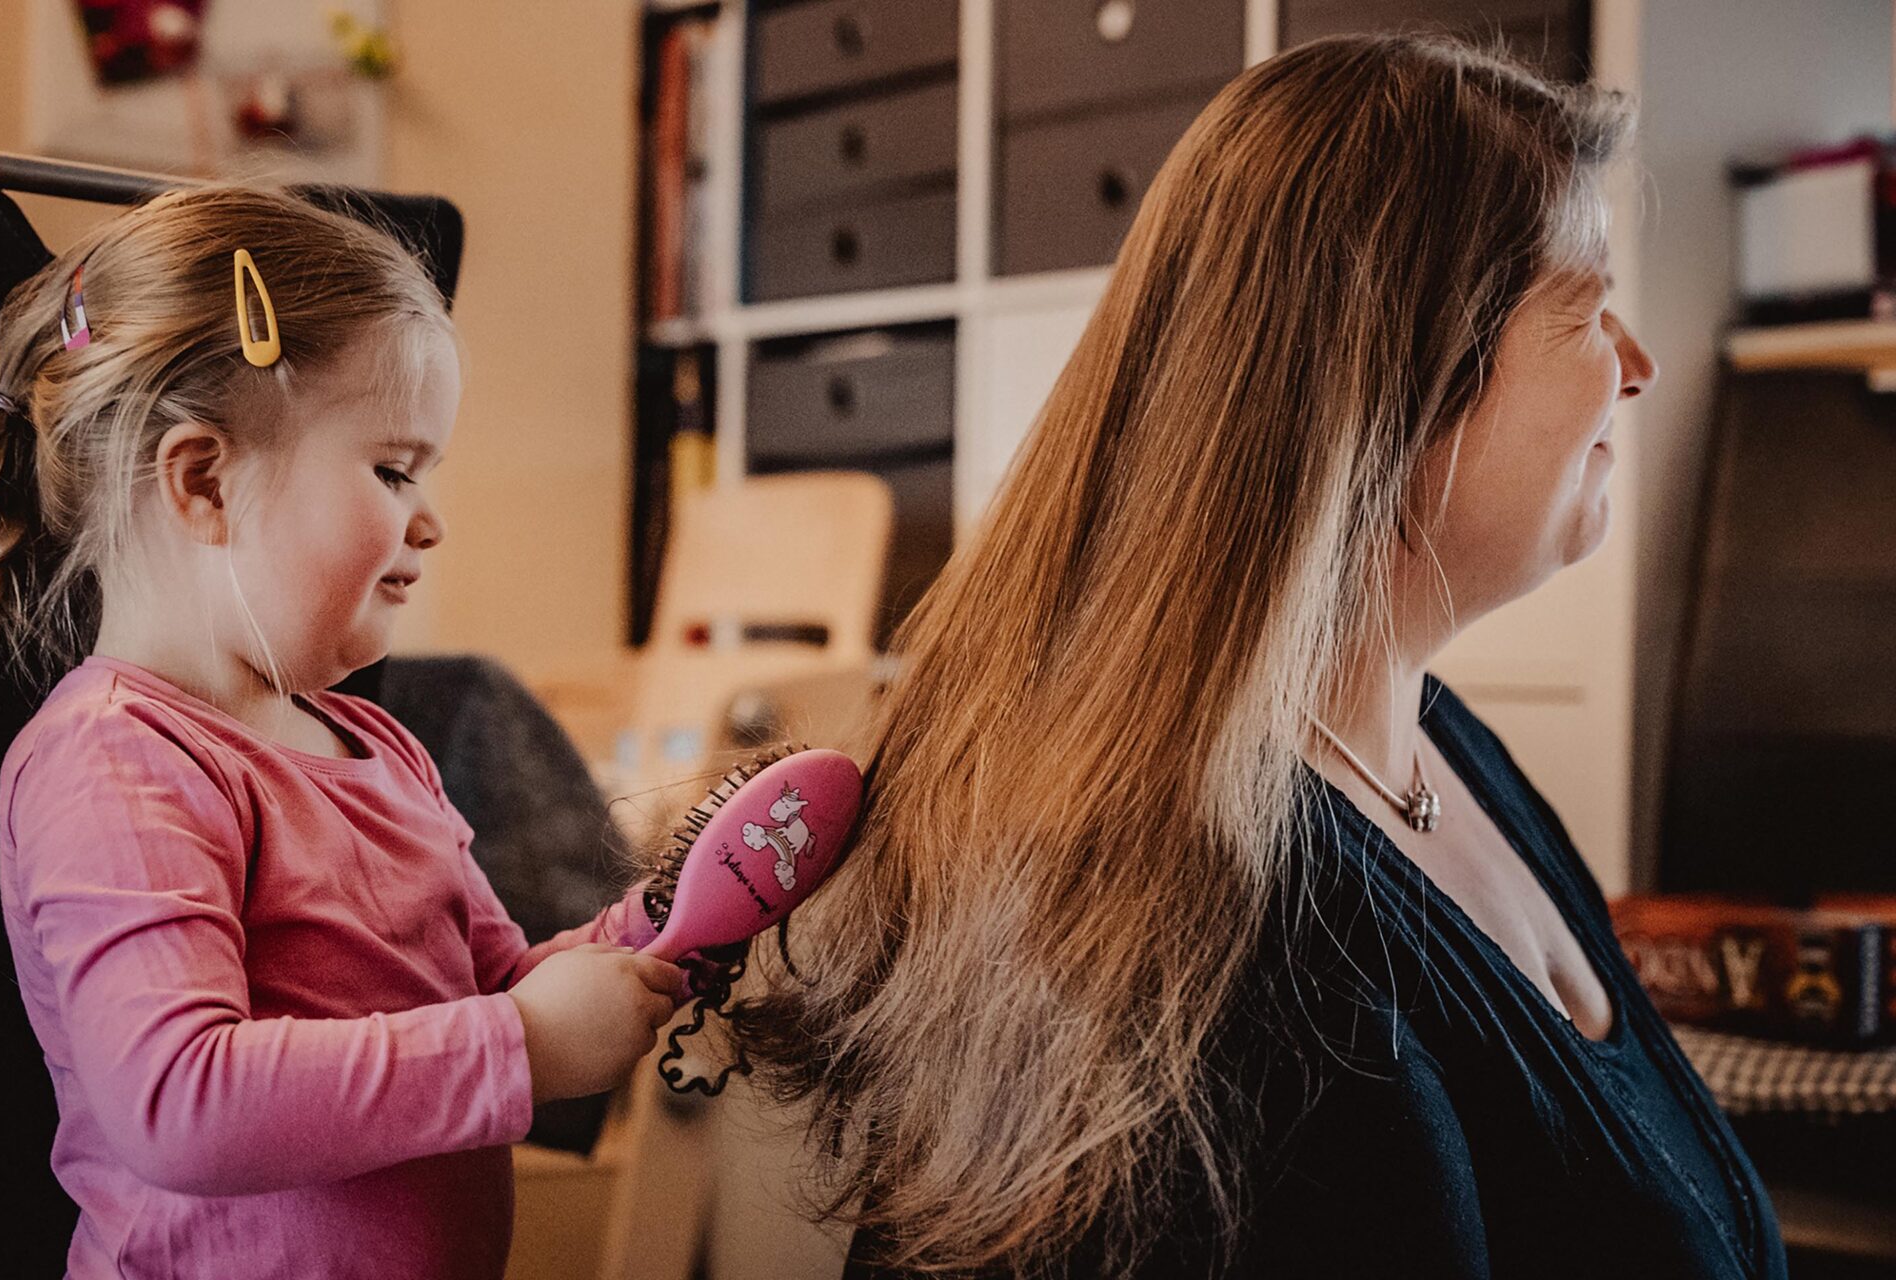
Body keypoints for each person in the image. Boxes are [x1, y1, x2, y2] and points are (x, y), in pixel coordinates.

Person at [732, 33, 1789, 1280]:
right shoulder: (1251, 963)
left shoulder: (1438, 745)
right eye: (1584, 308)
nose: (1638, 366)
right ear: (1393, 368)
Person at [0, 187, 683, 1279]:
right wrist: (527, 1045)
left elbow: (491, 984)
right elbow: (181, 1100)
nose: (430, 519)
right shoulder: (116, 762)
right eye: (394, 469)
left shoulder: (377, 745)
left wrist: (657, 926)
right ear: (205, 480)